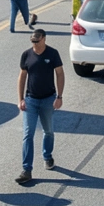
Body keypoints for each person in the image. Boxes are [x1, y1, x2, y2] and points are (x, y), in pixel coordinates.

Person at [15, 29, 64, 185]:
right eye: (32, 41)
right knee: (28, 134)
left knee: (48, 131)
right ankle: (26, 170)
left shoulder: (53, 54)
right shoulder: (26, 55)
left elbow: (60, 74)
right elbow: (22, 76)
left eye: (37, 41)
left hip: (48, 99)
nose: (34, 44)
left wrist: (59, 96)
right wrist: (21, 99)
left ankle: (47, 156)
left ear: (44, 39)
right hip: (31, 100)